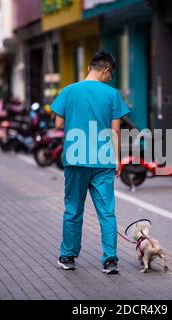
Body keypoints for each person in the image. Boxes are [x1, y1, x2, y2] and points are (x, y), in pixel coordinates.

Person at [51, 51, 130, 274]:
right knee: (106, 212)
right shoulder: (112, 94)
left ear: (89, 67)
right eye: (110, 74)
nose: (110, 78)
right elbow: (115, 129)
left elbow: (58, 124)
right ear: (105, 70)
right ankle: (110, 260)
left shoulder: (68, 91)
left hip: (75, 159)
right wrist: (117, 159)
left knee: (73, 209)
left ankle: (68, 257)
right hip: (103, 160)